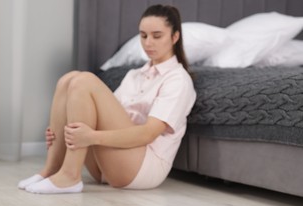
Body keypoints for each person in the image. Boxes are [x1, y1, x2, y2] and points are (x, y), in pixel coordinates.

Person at [18, 4, 196, 194]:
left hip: (144, 168)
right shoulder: (134, 75)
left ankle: (70, 176)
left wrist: (90, 137)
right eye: (143, 36)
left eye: (157, 36)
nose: (148, 43)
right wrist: (62, 128)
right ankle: (51, 169)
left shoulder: (178, 80)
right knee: (68, 80)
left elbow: (147, 134)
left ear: (175, 37)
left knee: (84, 80)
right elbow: (100, 116)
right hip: (110, 163)